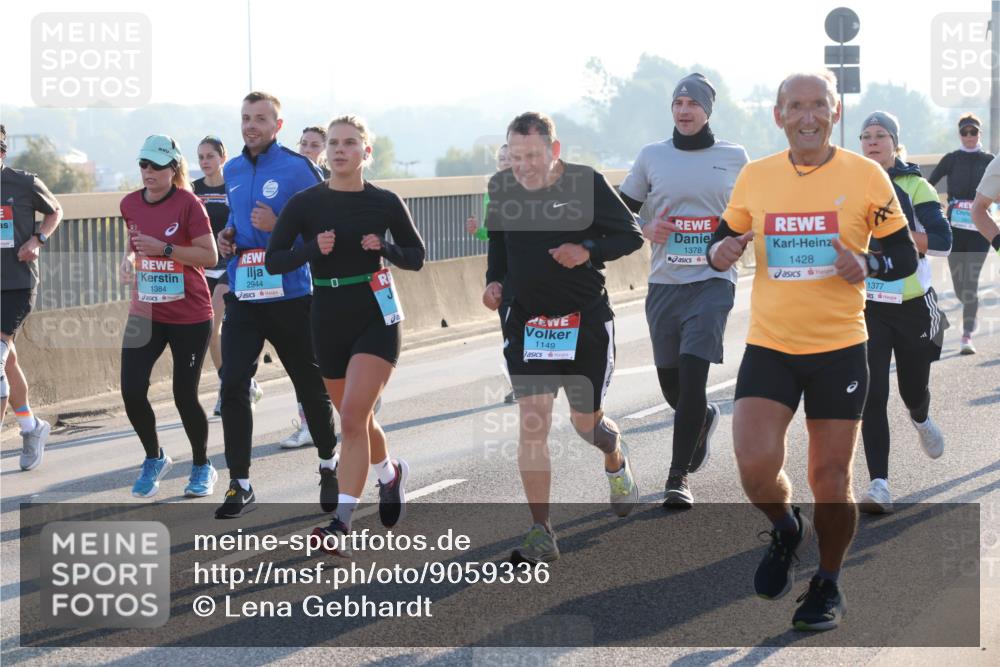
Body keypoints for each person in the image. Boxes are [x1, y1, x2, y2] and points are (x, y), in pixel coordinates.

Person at [707, 72, 917, 631]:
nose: (807, 116)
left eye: (818, 105)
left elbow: (904, 256)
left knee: (830, 478)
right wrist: (719, 253)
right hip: (771, 346)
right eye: (795, 106)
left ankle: (827, 582)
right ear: (778, 115)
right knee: (754, 466)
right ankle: (784, 527)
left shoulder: (867, 175)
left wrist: (867, 263)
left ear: (835, 111)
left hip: (840, 348)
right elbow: (719, 240)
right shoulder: (756, 177)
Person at [482, 112, 644, 565]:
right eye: (515, 157)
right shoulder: (502, 189)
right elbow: (499, 250)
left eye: (532, 156)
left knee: (585, 424)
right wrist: (494, 284)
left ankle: (614, 455)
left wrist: (586, 250)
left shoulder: (585, 184)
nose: (524, 166)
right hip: (528, 325)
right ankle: (542, 531)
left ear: (554, 151)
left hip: (585, 322)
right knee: (532, 424)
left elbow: (631, 236)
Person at [268, 116, 424, 556]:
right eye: (333, 143)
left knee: (352, 419)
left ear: (365, 152)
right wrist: (311, 250)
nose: (339, 150)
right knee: (359, 418)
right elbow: (276, 260)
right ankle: (389, 474)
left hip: (377, 314)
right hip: (327, 315)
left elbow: (417, 256)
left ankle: (341, 523)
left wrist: (386, 248)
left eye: (350, 143)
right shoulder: (304, 204)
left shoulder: (386, 201)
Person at [619, 73, 749, 508]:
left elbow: (753, 211)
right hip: (664, 284)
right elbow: (620, 213)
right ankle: (703, 418)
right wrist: (644, 228)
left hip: (713, 282)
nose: (684, 110)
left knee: (694, 376)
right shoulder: (652, 156)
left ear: (708, 110)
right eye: (677, 103)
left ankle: (678, 479)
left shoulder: (734, 156)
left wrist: (737, 240)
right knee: (673, 389)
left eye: (692, 103)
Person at [214, 91, 339, 519]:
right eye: (246, 117)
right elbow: (235, 219)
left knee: (310, 384)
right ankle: (240, 483)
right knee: (232, 385)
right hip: (246, 295)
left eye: (260, 119)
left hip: (290, 295)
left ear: (277, 125)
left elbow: (326, 235)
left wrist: (278, 226)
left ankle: (328, 462)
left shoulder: (298, 168)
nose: (251, 126)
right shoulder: (231, 168)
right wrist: (226, 238)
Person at [857, 111, 952, 513]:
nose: (872, 141)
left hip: (914, 306)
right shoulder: (851, 185)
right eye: (866, 136)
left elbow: (943, 242)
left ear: (895, 143)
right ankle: (879, 484)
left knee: (911, 389)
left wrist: (894, 236)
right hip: (869, 307)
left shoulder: (916, 186)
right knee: (871, 394)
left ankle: (921, 416)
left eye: (880, 135)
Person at [118, 135, 219, 497]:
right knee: (131, 390)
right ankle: (154, 456)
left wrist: (165, 249)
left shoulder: (189, 203)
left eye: (156, 165)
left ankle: (202, 465)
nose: (148, 171)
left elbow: (209, 257)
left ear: (172, 168)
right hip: (145, 310)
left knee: (183, 394)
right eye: (143, 164)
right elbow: (135, 248)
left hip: (189, 314)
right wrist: (129, 263)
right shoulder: (129, 203)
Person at [0, 124, 62, 471]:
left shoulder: (23, 182)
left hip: (16, 285)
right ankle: (31, 427)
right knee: (8, 361)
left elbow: (56, 211)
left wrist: (37, 240)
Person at [192, 136, 264, 417]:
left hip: (231, 267)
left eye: (210, 156)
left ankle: (233, 387)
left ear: (222, 158)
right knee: (210, 336)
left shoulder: (233, 186)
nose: (205, 162)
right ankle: (233, 384)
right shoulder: (192, 190)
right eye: (200, 157)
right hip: (202, 268)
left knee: (215, 327)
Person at [928, 113, 994, 354]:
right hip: (954, 228)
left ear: (979, 134)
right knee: (959, 284)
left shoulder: (989, 159)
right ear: (960, 134)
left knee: (971, 283)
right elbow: (928, 184)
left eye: (973, 132)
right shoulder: (951, 159)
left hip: (980, 229)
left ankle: (967, 335)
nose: (969, 136)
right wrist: (932, 208)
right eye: (965, 132)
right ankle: (963, 314)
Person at [466, 144, 518, 404]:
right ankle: (521, 383)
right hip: (504, 268)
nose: (505, 162)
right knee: (508, 328)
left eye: (510, 158)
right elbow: (494, 232)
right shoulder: (494, 189)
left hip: (529, 267)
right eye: (501, 158)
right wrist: (478, 231)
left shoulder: (535, 186)